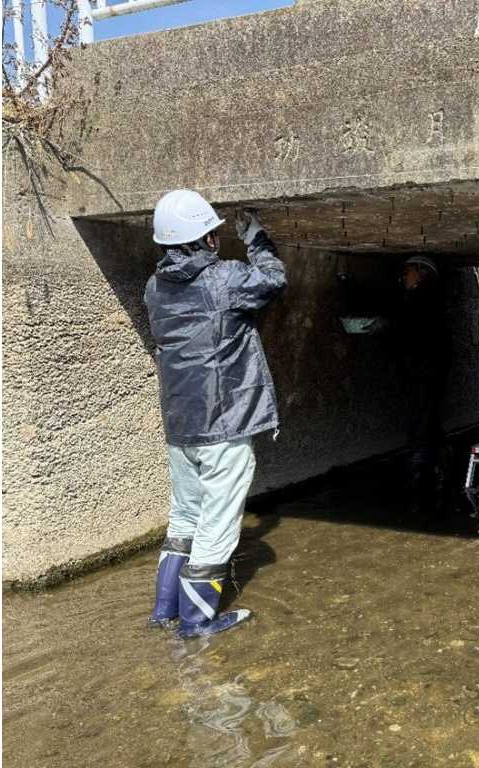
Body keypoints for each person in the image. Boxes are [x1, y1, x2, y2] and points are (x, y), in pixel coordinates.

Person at [144, 190, 288, 638]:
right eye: (212, 234)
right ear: (204, 239)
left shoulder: (154, 287)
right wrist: (257, 238)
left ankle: (164, 611)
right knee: (218, 522)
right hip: (223, 422)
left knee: (184, 518)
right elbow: (273, 280)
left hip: (180, 424)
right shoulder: (223, 279)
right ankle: (197, 620)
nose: (215, 240)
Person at [395, 255, 451, 507]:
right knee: (428, 422)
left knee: (420, 423)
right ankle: (438, 475)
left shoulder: (422, 301)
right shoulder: (428, 301)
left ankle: (417, 483)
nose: (403, 277)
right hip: (427, 373)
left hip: (423, 374)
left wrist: (385, 327)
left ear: (421, 274)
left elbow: (412, 334)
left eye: (408, 272)